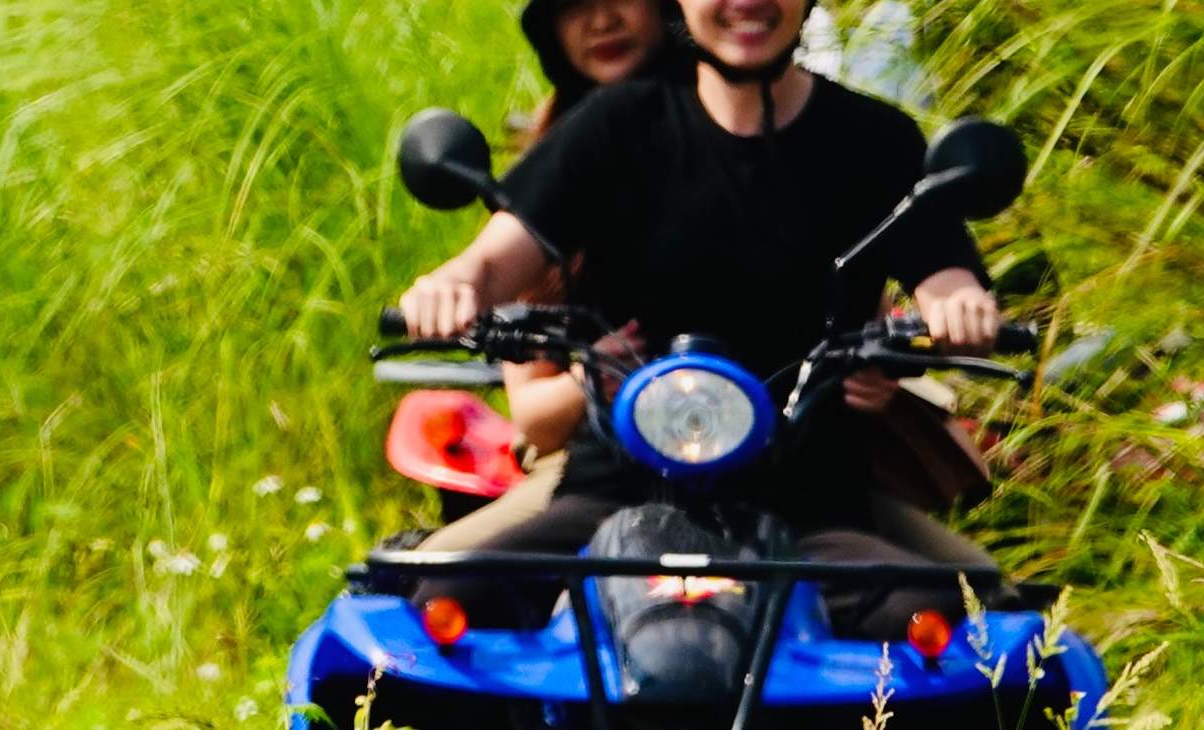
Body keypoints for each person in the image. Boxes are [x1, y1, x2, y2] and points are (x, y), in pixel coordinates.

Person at [397, 0, 1006, 639]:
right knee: (434, 605)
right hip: (615, 491)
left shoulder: (874, 139)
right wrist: (451, 285)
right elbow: (495, 259)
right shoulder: (616, 124)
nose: (745, 3)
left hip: (811, 507)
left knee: (974, 634)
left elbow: (945, 276)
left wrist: (957, 307)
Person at [414, 0, 678, 554]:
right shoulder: (553, 176)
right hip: (588, 466)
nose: (601, 19)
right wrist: (599, 376)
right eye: (573, 5)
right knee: (415, 587)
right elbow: (535, 419)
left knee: (904, 589)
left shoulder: (775, 137)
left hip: (764, 458)